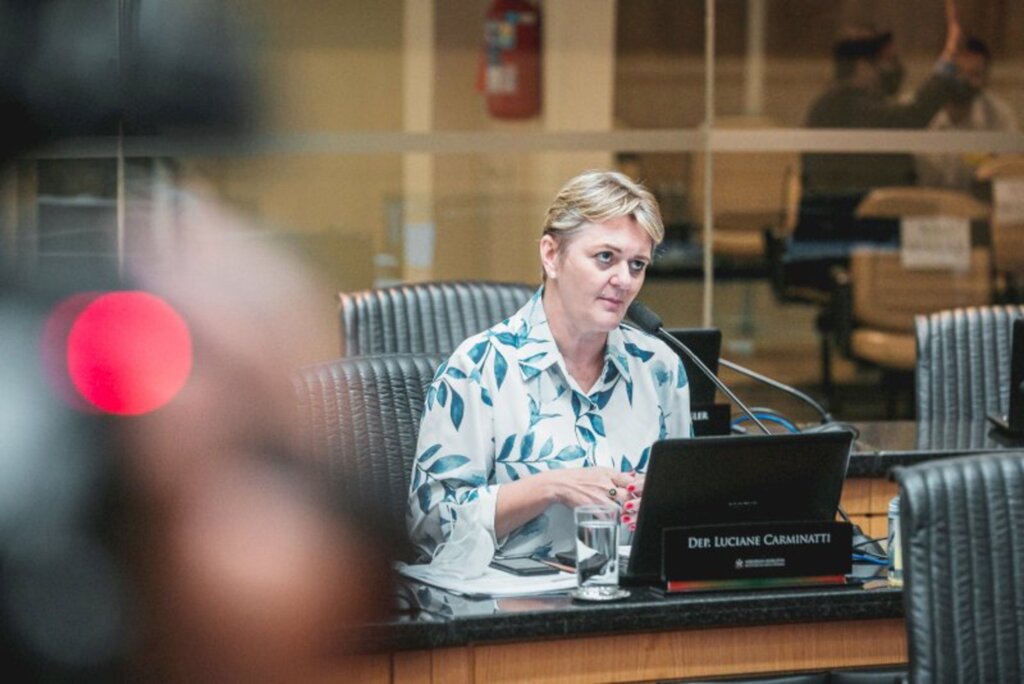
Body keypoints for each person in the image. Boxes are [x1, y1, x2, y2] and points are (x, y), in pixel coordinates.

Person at [407, 170, 692, 566]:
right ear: (551, 255)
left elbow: (686, 520)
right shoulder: (478, 369)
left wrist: (661, 502)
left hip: (634, 600)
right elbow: (430, 527)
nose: (623, 280)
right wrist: (550, 486)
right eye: (605, 257)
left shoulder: (659, 367)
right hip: (514, 609)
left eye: (637, 265)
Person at [802, 19, 969, 196]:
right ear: (862, 67)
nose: (898, 68)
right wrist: (947, 63)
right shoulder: (841, 104)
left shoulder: (836, 100)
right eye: (890, 60)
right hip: (854, 219)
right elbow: (910, 117)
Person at [915, 36, 1018, 194]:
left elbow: (1010, 175)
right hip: (921, 211)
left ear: (985, 80)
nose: (963, 81)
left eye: (974, 74)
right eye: (956, 72)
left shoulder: (1000, 117)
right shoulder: (915, 110)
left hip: (979, 212)